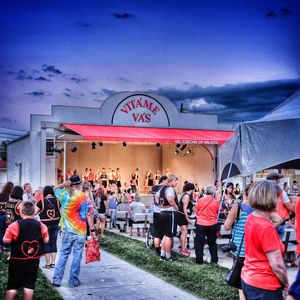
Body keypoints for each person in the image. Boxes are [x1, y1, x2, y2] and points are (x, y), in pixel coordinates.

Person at [241, 180, 289, 300]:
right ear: (268, 199)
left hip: (249, 279)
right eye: (277, 197)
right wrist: (287, 284)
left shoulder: (252, 218)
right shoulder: (266, 226)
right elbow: (277, 265)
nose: (279, 200)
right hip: (265, 286)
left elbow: (278, 219)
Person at [52, 175, 95, 288]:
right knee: (77, 256)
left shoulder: (64, 194)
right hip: (80, 232)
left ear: (70, 184)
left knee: (63, 255)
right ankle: (73, 281)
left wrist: (63, 184)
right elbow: (88, 214)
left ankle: (57, 280)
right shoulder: (84, 197)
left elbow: (53, 189)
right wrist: (92, 230)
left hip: (67, 231)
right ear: (80, 184)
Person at [3, 200, 49, 300]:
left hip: (16, 260)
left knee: (13, 285)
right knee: (29, 284)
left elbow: (5, 240)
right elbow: (46, 240)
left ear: (20, 212)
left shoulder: (14, 225)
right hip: (33, 260)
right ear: (34, 212)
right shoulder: (41, 225)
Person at [223, 184, 254, 300]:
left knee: (241, 282)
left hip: (240, 250)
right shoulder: (261, 208)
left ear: (244, 193)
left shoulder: (238, 206)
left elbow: (226, 227)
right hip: (254, 250)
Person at [35, 185, 61, 269]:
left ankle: (47, 264)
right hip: (55, 225)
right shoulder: (57, 201)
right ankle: (53, 263)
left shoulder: (41, 202)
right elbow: (61, 214)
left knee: (46, 244)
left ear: (45, 192)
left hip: (45, 227)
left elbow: (34, 212)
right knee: (53, 243)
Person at [156, 174, 179, 261]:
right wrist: (176, 207)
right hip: (170, 213)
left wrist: (160, 205)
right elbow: (170, 199)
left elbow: (157, 196)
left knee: (165, 235)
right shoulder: (170, 189)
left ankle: (162, 254)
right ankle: (168, 256)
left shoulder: (162, 188)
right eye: (175, 180)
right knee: (169, 236)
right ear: (171, 181)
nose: (176, 182)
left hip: (162, 213)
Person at [195, 185, 219, 265]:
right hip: (212, 224)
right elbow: (217, 212)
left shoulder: (200, 200)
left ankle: (199, 261)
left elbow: (196, 212)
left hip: (201, 224)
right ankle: (214, 260)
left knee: (199, 243)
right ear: (213, 192)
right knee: (212, 243)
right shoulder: (216, 202)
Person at [177, 182, 195, 257]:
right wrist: (187, 218)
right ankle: (183, 250)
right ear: (191, 189)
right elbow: (184, 208)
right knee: (184, 233)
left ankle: (182, 248)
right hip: (182, 216)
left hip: (182, 215)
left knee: (184, 233)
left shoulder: (186, 195)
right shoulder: (187, 196)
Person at [0, 182, 14, 253]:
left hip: (0, 215)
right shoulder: (10, 196)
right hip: (8, 216)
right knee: (7, 232)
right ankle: (7, 247)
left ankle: (1, 246)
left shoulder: (0, 195)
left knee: (0, 232)